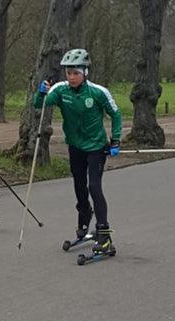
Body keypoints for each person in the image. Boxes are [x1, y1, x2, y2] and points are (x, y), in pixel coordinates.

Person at [33, 48, 122, 255]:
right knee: (79, 187)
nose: (71, 77)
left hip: (96, 147)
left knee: (94, 187)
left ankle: (104, 234)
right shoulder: (60, 90)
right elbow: (40, 105)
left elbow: (115, 115)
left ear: (85, 73)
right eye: (69, 73)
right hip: (75, 146)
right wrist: (42, 92)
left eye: (76, 73)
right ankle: (84, 218)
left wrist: (115, 140)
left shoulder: (98, 92)